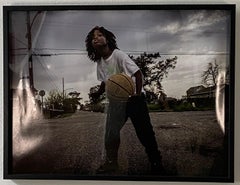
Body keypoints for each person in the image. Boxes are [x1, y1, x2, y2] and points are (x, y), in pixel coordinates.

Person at [85, 26, 166, 175]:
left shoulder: (119, 55)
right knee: (110, 133)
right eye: (92, 38)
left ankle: (156, 162)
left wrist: (136, 94)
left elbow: (138, 74)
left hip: (134, 99)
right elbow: (106, 82)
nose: (95, 38)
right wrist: (98, 93)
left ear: (107, 39)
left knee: (145, 133)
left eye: (99, 35)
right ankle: (111, 163)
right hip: (117, 102)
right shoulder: (100, 63)